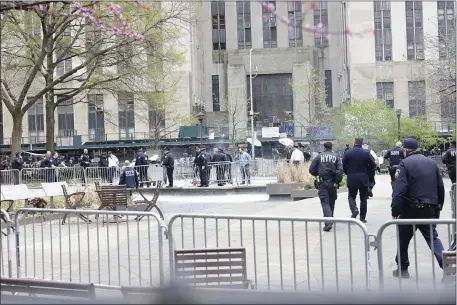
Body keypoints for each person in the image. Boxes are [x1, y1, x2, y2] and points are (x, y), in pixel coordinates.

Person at [391, 138, 445, 278]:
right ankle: (445, 263)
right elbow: (440, 187)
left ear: (406, 150)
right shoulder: (431, 163)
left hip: (410, 210)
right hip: (429, 209)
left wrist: (395, 210)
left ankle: (403, 269)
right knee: (433, 239)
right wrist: (438, 208)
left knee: (403, 238)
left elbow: (399, 190)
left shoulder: (404, 164)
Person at [309, 142, 343, 232]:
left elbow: (311, 169)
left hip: (323, 182)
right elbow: (340, 171)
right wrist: (336, 182)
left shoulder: (319, 156)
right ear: (331, 147)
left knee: (325, 203)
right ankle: (331, 219)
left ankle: (328, 223)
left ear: (324, 147)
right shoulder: (336, 157)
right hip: (333, 183)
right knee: (331, 202)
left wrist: (317, 173)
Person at [342, 138, 377, 223]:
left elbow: (343, 165)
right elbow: (373, 165)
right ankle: (362, 217)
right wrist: (368, 173)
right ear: (361, 143)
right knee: (363, 198)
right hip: (363, 178)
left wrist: (348, 173)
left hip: (352, 178)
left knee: (351, 196)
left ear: (354, 142)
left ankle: (354, 209)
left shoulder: (348, 153)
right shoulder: (366, 153)